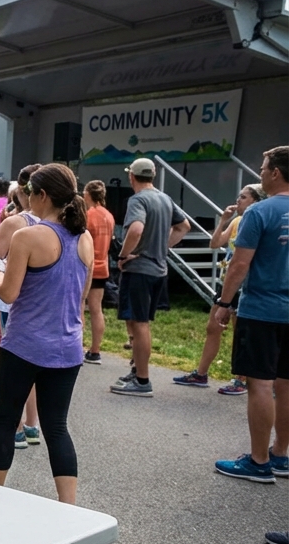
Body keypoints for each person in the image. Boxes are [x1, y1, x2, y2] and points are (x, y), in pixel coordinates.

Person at [0, 164, 93, 505]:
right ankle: (69, 506)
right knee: (57, 428)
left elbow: (8, 294)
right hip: (67, 346)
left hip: (25, 344)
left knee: (5, 420)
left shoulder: (27, 236)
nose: (27, 199)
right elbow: (81, 294)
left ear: (43, 195)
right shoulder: (84, 238)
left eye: (30, 192)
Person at [211, 146, 289, 485]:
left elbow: (239, 264)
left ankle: (258, 461)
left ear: (275, 173)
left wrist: (224, 303)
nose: (260, 172)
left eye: (263, 167)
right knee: (286, 385)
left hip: (263, 310)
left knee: (260, 382)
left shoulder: (259, 212)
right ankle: (281, 454)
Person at [111, 158, 190, 397]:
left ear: (131, 177)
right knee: (138, 322)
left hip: (140, 269)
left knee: (139, 323)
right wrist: (162, 246)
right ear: (152, 176)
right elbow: (184, 225)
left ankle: (142, 380)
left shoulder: (138, 199)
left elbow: (135, 229)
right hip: (158, 268)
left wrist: (124, 256)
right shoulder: (164, 198)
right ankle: (137, 372)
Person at [174, 184, 265, 390]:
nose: (238, 200)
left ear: (255, 201)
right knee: (212, 327)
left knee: (239, 332)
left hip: (245, 284)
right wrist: (223, 220)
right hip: (227, 284)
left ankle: (241, 379)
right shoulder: (237, 222)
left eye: (243, 197)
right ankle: (201, 374)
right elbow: (214, 244)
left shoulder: (258, 222)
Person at [0, 166, 42, 447]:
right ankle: (31, 424)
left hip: (8, 297)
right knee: (31, 364)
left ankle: (10, 426)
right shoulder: (58, 221)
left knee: (3, 360)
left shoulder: (17, 222)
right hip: (38, 299)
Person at [82, 180, 114, 365]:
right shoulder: (108, 216)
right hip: (103, 265)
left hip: (88, 265)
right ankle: (95, 350)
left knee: (79, 306)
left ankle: (77, 347)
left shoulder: (89, 215)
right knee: (96, 309)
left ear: (88, 194)